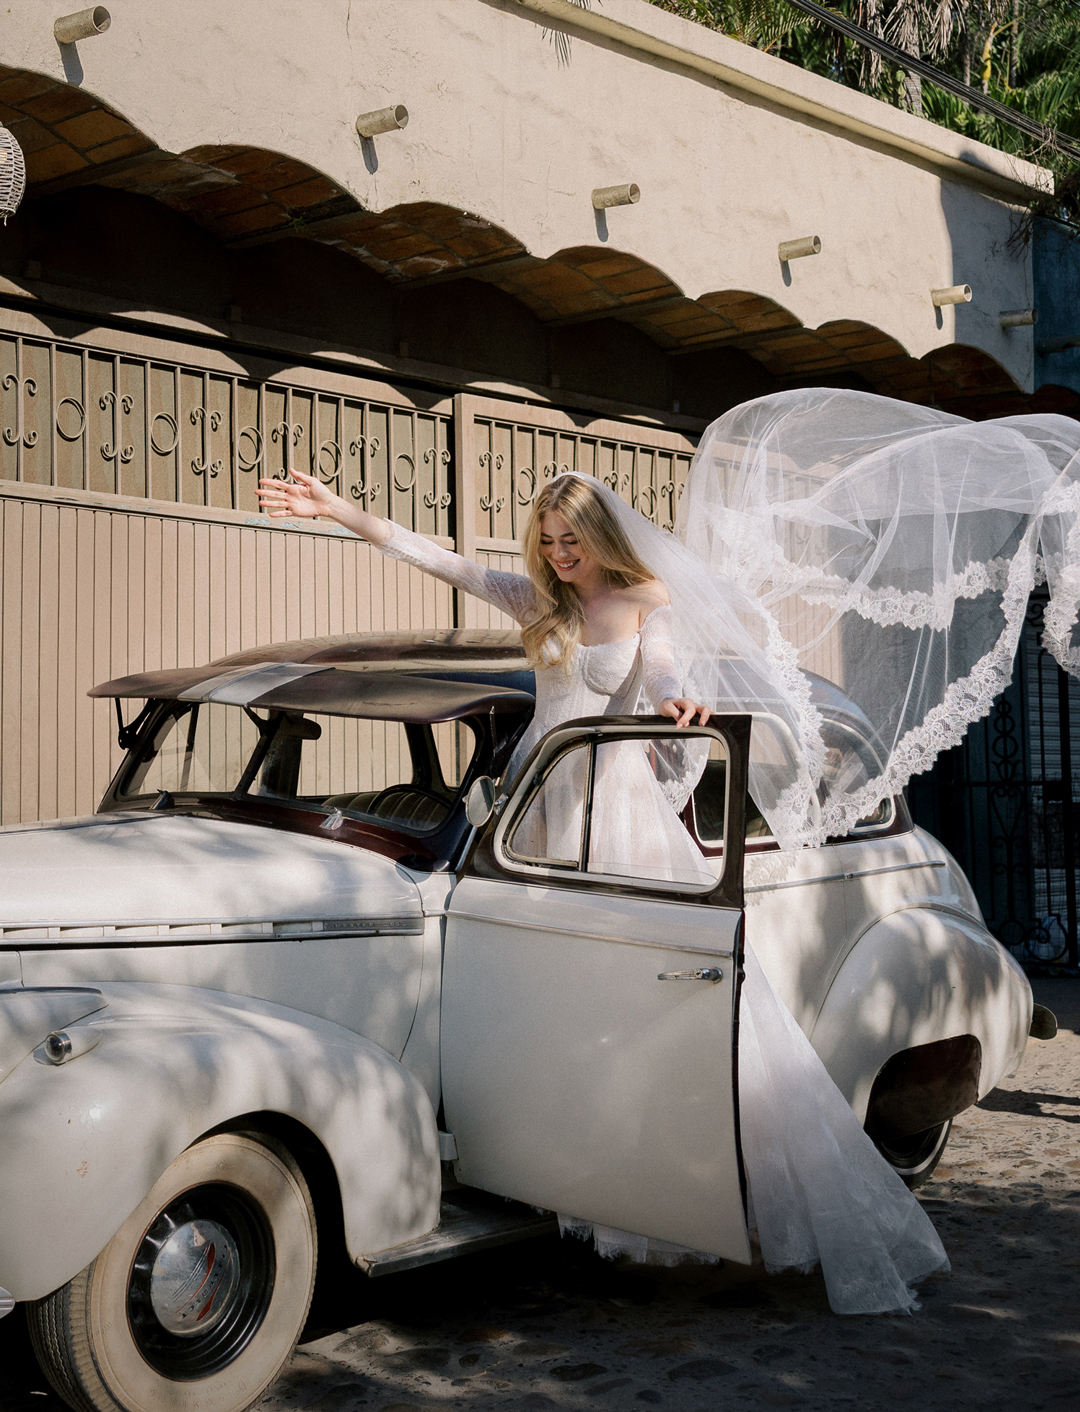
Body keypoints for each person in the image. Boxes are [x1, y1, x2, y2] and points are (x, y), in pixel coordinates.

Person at [256, 460, 950, 1316]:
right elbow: (433, 557)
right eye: (546, 542)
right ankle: (552, 1165)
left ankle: (659, 1187)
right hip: (538, 818)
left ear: (603, 536)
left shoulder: (643, 602)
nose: (558, 555)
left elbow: (662, 671)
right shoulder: (537, 602)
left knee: (637, 1011)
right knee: (546, 1004)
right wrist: (340, 510)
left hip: (615, 821)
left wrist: (677, 703)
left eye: (571, 541)